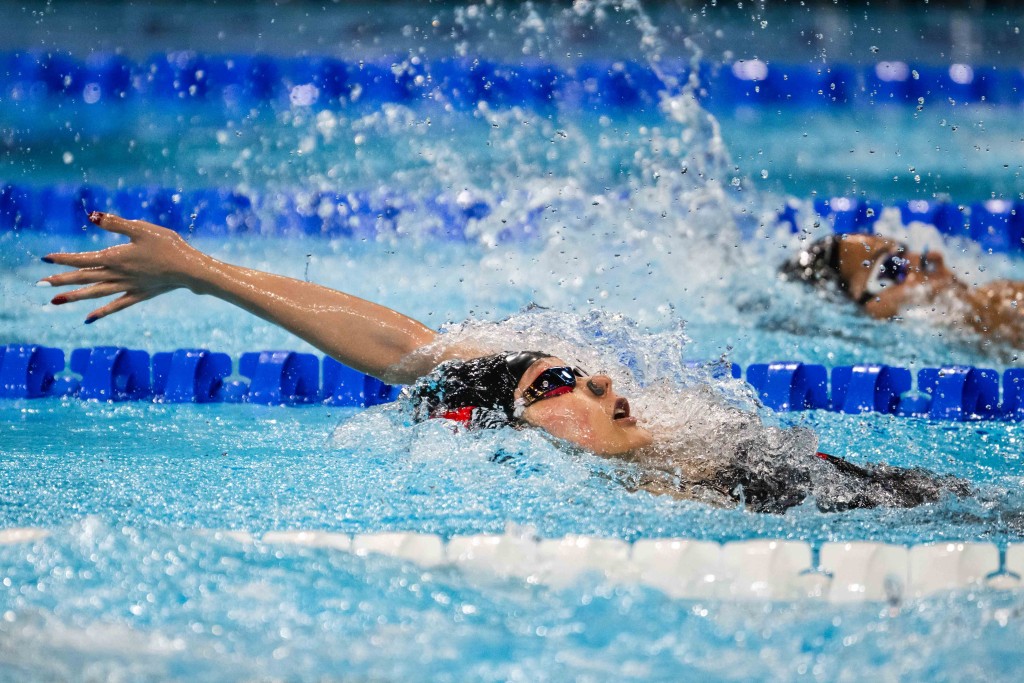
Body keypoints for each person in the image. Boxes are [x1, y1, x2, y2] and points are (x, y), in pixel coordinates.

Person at [40, 212, 970, 513]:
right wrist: (198, 278)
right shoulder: (621, 486)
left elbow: (410, 347)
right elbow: (419, 371)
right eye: (554, 384)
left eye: (578, 369)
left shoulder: (673, 442)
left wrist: (203, 271)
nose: (603, 379)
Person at [780, 233, 1024, 347]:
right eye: (891, 268)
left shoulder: (1003, 298)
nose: (932, 257)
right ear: (866, 311)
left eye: (905, 250)